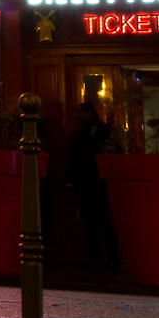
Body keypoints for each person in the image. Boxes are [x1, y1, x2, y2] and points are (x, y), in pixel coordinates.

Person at [68, 101, 120, 271]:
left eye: (81, 113)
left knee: (102, 222)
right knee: (91, 223)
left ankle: (111, 257)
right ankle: (98, 257)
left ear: (90, 113)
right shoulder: (80, 134)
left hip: (96, 183)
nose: (78, 117)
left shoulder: (102, 131)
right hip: (88, 183)